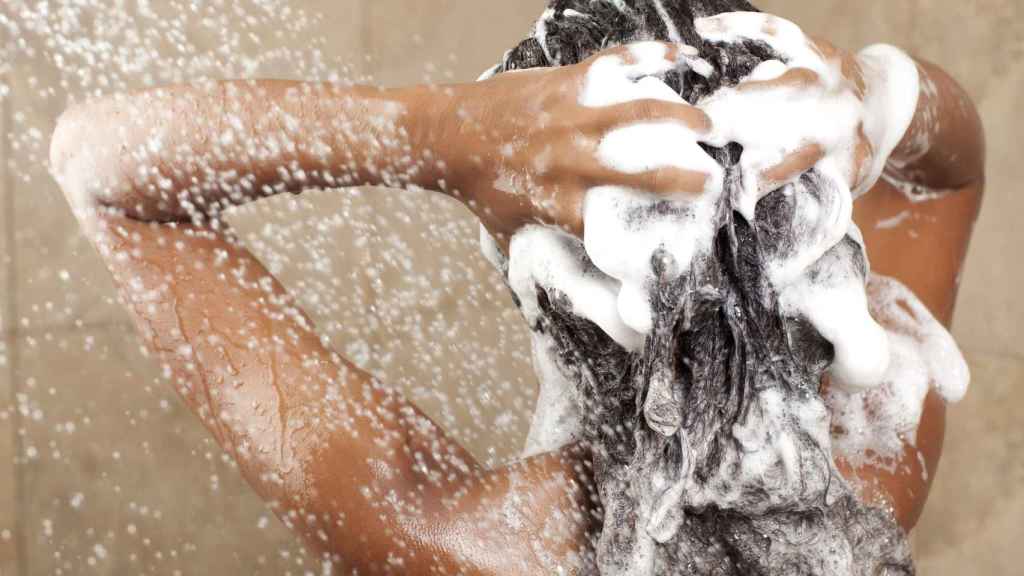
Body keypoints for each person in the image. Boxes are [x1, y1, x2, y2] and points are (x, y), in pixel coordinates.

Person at [48, 4, 983, 574]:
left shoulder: (457, 543)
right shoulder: (870, 469)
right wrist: (870, 95)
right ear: (816, 226)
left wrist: (446, 137)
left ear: (540, 273)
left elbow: (103, 171)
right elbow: (948, 172)